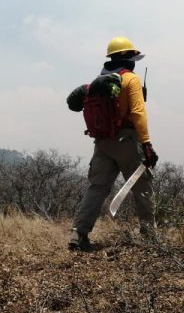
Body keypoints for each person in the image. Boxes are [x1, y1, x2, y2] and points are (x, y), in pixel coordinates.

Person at [67, 36, 159, 250]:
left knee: (97, 188)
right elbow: (137, 113)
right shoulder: (131, 79)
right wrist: (146, 144)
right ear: (127, 58)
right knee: (142, 187)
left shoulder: (98, 83)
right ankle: (150, 238)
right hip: (126, 141)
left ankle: (78, 235)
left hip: (102, 142)